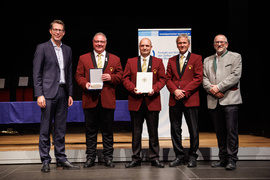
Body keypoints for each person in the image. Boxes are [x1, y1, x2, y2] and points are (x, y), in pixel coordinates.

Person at [33, 20, 80, 172]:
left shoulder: (67, 50)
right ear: (50, 31)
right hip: (47, 94)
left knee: (60, 129)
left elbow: (69, 73)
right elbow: (37, 74)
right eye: (55, 30)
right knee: (45, 128)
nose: (58, 32)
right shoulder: (42, 48)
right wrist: (39, 94)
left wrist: (70, 94)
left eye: (60, 30)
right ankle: (45, 160)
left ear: (64, 32)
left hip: (63, 92)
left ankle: (61, 158)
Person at [75, 32, 123, 168]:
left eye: (102, 42)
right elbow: (78, 76)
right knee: (90, 131)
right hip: (90, 100)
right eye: (97, 41)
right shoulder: (83, 58)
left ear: (106, 43)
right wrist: (85, 83)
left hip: (107, 100)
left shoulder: (115, 59)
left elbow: (121, 76)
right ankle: (90, 157)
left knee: (108, 131)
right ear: (93, 42)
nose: (99, 44)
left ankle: (108, 157)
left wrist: (111, 77)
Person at [123, 38, 166, 168]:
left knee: (153, 132)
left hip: (152, 101)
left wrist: (155, 89)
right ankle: (136, 158)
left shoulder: (158, 62)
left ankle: (154, 158)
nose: (145, 48)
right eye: (142, 46)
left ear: (151, 47)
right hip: (136, 101)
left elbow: (163, 79)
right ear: (139, 47)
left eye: (147, 46)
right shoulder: (131, 62)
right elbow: (125, 79)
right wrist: (132, 88)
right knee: (136, 132)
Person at [203, 34, 242, 170]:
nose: (219, 44)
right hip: (214, 100)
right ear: (214, 44)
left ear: (227, 44)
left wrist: (218, 87)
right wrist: (213, 90)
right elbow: (204, 78)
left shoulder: (235, 57)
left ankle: (232, 159)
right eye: (217, 42)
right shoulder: (207, 60)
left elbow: (235, 76)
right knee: (220, 132)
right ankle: (223, 158)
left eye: (222, 42)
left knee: (231, 131)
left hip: (230, 99)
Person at [166, 34, 203, 168]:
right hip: (175, 99)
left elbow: (198, 78)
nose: (182, 45)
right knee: (175, 129)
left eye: (184, 43)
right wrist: (175, 91)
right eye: (180, 43)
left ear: (188, 44)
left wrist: (185, 92)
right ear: (177, 45)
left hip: (190, 98)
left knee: (193, 129)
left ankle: (193, 156)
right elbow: (167, 78)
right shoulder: (171, 60)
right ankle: (179, 156)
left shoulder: (197, 58)